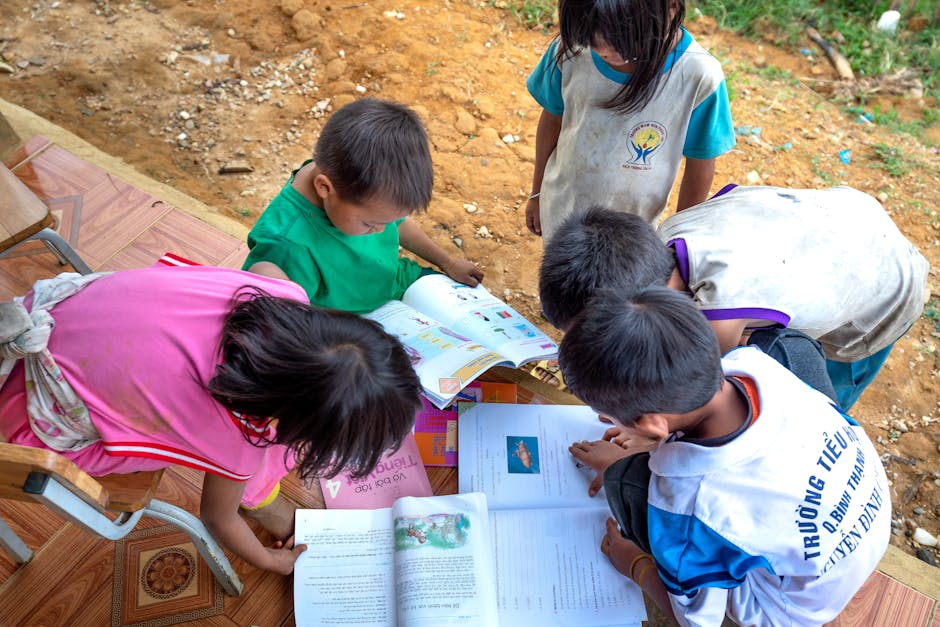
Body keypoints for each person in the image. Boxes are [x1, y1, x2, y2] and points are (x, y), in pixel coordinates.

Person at [0, 265, 423, 575]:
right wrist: (268, 560)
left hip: (51, 309)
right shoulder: (234, 438)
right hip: (30, 411)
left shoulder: (280, 294)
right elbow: (219, 517)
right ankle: (258, 494)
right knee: (231, 456)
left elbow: (264, 265)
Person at [563, 287, 890, 626]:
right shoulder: (752, 363)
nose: (606, 420)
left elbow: (697, 622)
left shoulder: (687, 506)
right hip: (867, 522)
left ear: (654, 424)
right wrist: (651, 437)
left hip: (791, 606)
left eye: (608, 416)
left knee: (634, 490)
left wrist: (635, 564)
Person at [539, 187, 930, 409]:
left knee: (820, 396)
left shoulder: (719, 315)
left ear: (639, 309)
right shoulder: (660, 242)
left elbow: (705, 396)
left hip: (884, 286)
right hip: (838, 218)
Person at [242, 98, 484, 314]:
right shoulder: (286, 249)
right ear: (324, 187)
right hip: (343, 317)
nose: (382, 230)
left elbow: (399, 225)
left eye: (388, 222)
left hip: (393, 281)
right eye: (370, 224)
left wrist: (448, 263)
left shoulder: (353, 184)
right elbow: (290, 321)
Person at [524, 0, 735, 239]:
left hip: (632, 236)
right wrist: (537, 193)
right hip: (562, 212)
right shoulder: (572, 49)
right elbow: (552, 119)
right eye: (591, 38)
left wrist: (681, 239)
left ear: (672, 7)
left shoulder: (698, 76)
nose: (603, 50)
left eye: (621, 38)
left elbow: (700, 164)